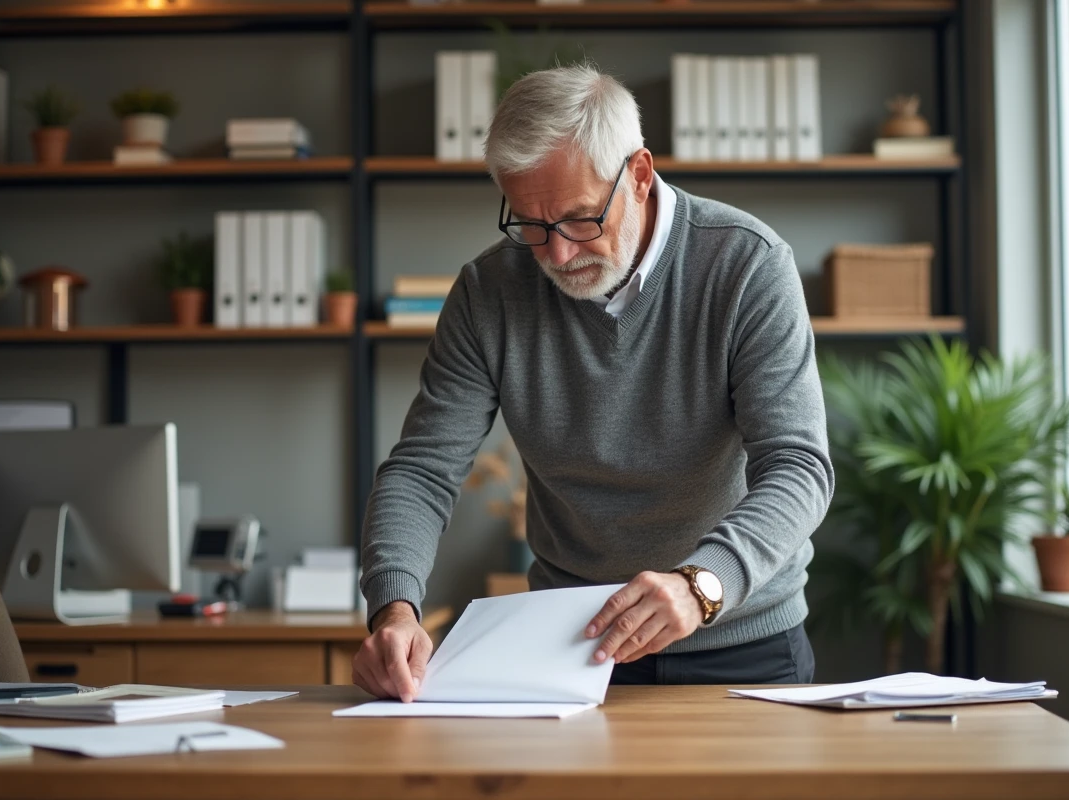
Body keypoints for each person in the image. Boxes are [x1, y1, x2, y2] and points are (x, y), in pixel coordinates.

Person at [352, 63, 834, 702]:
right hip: (571, 644)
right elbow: (420, 471)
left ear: (638, 174)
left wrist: (702, 584)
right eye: (529, 224)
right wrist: (394, 608)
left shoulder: (747, 264)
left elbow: (799, 466)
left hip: (742, 639)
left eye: (579, 220)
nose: (555, 255)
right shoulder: (488, 291)